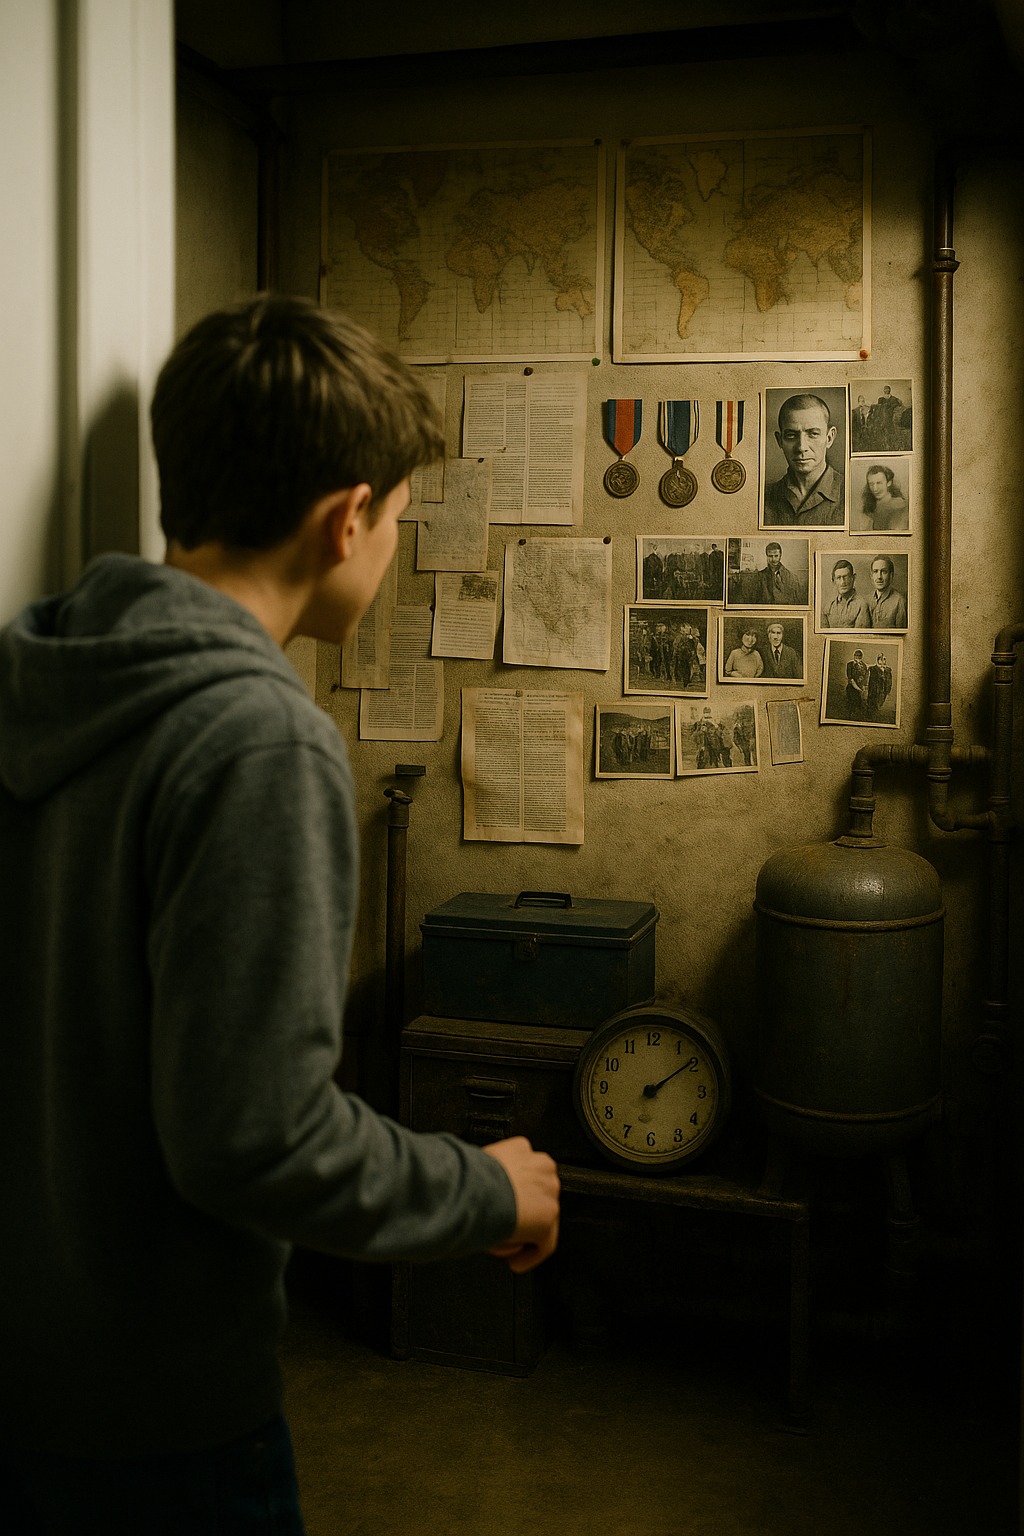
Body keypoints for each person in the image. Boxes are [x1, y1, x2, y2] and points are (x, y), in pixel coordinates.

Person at [0, 296, 560, 1533]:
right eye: (398, 518)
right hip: (157, 1433)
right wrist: (482, 1189)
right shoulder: (257, 740)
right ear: (344, 520)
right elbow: (255, 1139)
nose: (391, 547)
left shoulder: (37, 682)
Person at [762, 393, 845, 526]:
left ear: (829, 438)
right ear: (779, 440)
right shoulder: (763, 497)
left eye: (813, 434)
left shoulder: (851, 494)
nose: (801, 447)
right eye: (791, 435)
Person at [822, 557, 871, 629]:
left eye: (846, 577)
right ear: (834, 581)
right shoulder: (828, 606)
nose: (842, 582)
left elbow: (859, 634)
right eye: (839, 578)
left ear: (853, 578)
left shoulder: (862, 605)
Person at [857, 464, 908, 532]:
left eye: (879, 483)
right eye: (871, 484)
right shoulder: (869, 507)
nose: (875, 489)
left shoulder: (900, 506)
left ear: (889, 483)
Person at [868, 554, 908, 628]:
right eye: (875, 571)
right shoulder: (866, 600)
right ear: (871, 576)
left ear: (891, 575)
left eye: (884, 572)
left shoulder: (899, 601)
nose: (879, 577)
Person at [757, 541, 803, 605]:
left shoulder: (792, 577)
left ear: (780, 556)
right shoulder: (759, 577)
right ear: (767, 556)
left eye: (776, 556)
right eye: (770, 556)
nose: (773, 559)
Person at [867, 652, 894, 719]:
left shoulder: (888, 670)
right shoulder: (873, 669)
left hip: (883, 691)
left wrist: (888, 690)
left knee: (880, 703)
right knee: (873, 705)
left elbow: (889, 681)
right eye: (881, 659)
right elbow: (872, 682)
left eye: (884, 659)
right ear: (878, 660)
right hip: (874, 691)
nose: (882, 661)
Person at [845, 648, 869, 719]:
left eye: (859, 656)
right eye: (856, 656)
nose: (857, 657)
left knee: (859, 704)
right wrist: (858, 689)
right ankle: (849, 717)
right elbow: (851, 678)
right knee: (851, 703)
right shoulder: (850, 664)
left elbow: (865, 678)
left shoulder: (864, 666)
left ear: (861, 657)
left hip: (860, 688)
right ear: (854, 656)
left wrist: (863, 687)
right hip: (852, 687)